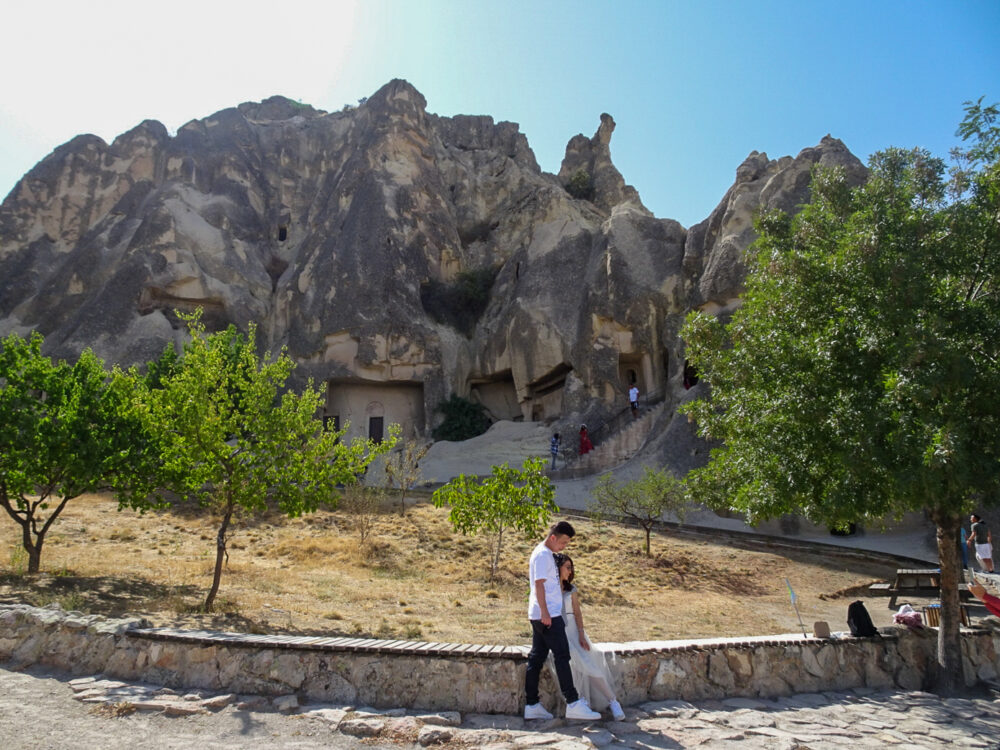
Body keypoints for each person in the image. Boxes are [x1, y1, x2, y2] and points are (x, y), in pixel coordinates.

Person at [524, 521, 601, 721]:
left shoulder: (546, 554)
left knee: (537, 657)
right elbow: (539, 586)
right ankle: (573, 703)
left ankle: (532, 705)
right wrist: (546, 613)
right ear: (553, 538)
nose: (564, 546)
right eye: (563, 542)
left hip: (542, 614)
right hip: (548, 615)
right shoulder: (542, 555)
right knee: (562, 655)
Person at [552, 553, 626, 720]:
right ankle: (578, 702)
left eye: (571, 568)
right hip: (558, 632)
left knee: (589, 664)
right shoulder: (550, 588)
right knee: (571, 666)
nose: (570, 571)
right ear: (558, 569)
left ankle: (613, 701)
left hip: (573, 630)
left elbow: (577, 612)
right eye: (567, 567)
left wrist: (581, 633)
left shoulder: (572, 590)